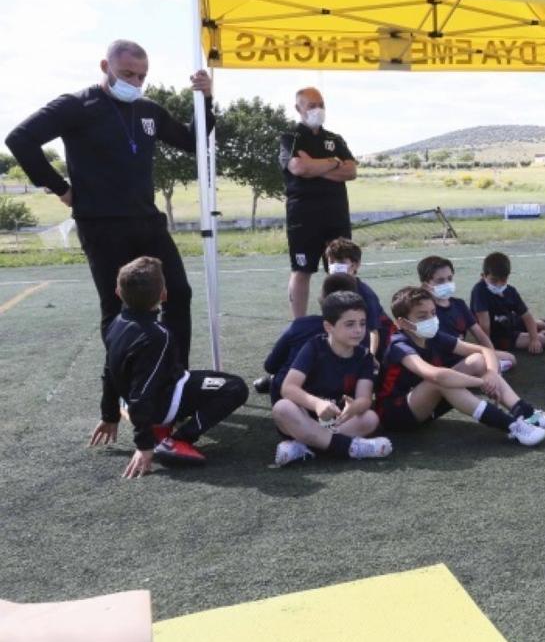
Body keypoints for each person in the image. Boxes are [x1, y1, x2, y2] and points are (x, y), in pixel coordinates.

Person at [5, 39, 213, 420]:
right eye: (127, 74)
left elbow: (191, 141)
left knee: (178, 293)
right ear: (105, 66)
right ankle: (127, 389)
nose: (134, 83)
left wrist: (206, 100)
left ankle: (175, 376)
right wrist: (61, 188)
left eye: (141, 76)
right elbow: (20, 139)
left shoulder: (147, 109)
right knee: (117, 306)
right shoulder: (76, 105)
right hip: (101, 225)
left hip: (147, 222)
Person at [89, 257, 248, 478]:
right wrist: (143, 445)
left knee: (211, 377)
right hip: (160, 405)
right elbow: (142, 394)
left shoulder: (116, 323)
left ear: (118, 292)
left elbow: (109, 372)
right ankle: (178, 440)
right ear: (163, 295)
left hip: (137, 400)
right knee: (235, 387)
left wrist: (109, 415)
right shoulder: (158, 336)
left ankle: (158, 427)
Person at [374, 287, 545, 445]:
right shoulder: (399, 344)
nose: (431, 320)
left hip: (426, 404)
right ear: (402, 323)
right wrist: (480, 381)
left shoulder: (432, 335)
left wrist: (491, 373)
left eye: (433, 313)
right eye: (422, 316)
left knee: (476, 360)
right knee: (440, 380)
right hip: (395, 413)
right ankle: (511, 426)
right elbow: (437, 376)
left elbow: (485, 351)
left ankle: (528, 414)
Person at [271, 291, 392, 466]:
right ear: (329, 327)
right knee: (282, 408)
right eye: (349, 324)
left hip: (338, 422)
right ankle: (349, 447)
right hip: (303, 417)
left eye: (362, 323)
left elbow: (364, 398)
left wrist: (355, 406)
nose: (358, 330)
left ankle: (304, 446)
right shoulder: (314, 347)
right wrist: (317, 404)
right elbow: (288, 388)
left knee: (370, 418)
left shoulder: (364, 356)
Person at [280, 87, 358, 319]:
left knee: (341, 268)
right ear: (298, 108)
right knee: (302, 270)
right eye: (311, 105)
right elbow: (298, 167)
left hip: (336, 214)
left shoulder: (335, 139)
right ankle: (300, 323)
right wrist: (334, 164)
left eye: (321, 104)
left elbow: (351, 171)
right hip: (303, 217)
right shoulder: (290, 138)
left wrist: (317, 167)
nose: (318, 110)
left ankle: (341, 318)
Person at [258, 272, 359, 400]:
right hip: (337, 400)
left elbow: (271, 365)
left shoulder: (300, 326)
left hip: (290, 399)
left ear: (322, 297)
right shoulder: (360, 334)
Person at [417, 255, 516, 371]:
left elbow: (480, 334)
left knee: (510, 358)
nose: (447, 283)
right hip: (441, 365)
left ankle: (484, 371)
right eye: (440, 281)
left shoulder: (459, 304)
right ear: (425, 285)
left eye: (449, 278)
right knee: (477, 361)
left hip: (463, 357)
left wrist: (491, 353)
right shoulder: (424, 312)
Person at [470, 252, 545, 354]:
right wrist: (488, 349)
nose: (499, 284)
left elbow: (527, 316)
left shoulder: (510, 291)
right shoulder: (479, 291)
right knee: (540, 340)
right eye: (494, 280)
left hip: (509, 321)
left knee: (538, 324)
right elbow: (484, 324)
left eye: (503, 280)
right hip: (496, 336)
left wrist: (534, 339)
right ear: (483, 276)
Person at [325, 237, 392, 359]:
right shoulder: (329, 289)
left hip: (381, 347)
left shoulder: (365, 294)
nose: (335, 266)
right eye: (331, 262)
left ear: (355, 265)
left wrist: (370, 357)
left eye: (340, 262)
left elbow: (374, 331)